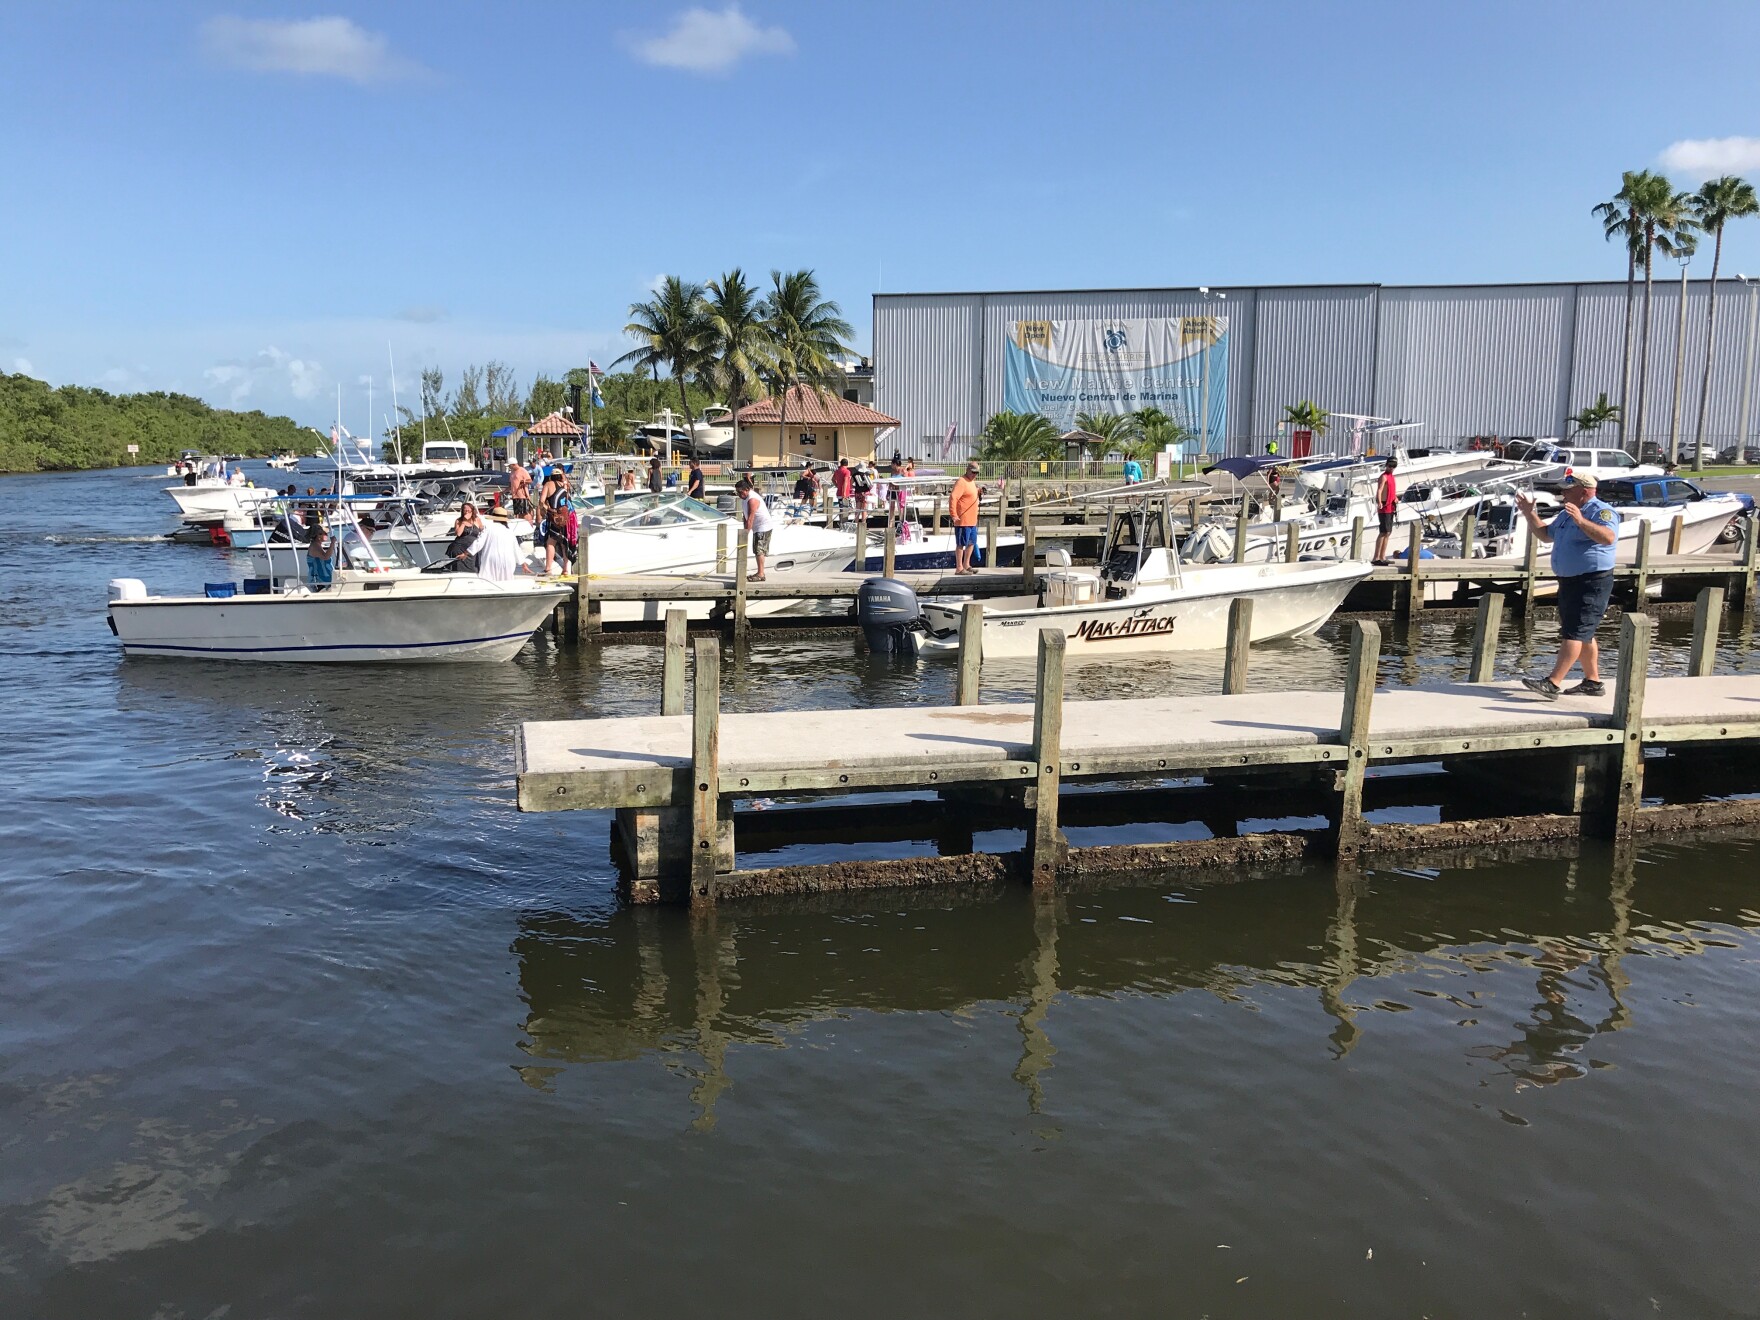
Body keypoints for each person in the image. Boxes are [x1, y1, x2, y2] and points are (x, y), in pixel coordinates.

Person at [1515, 473, 1621, 699]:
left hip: (1592, 580)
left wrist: (1582, 521)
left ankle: (1553, 683)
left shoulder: (1601, 512)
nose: (1562, 493)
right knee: (1582, 631)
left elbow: (1608, 537)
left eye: (1567, 489)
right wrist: (1528, 513)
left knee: (1574, 632)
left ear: (1584, 491)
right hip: (1570, 581)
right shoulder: (1566, 513)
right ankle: (1593, 682)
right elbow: (1545, 535)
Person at [461, 505, 521, 581]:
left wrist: (466, 553)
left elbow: (479, 542)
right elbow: (516, 548)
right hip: (508, 560)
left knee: (489, 580)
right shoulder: (509, 531)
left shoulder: (488, 528)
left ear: (493, 518)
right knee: (506, 581)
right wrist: (523, 563)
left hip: (491, 559)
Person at [736, 477, 774, 581]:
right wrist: (745, 531)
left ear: (747, 489)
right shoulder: (744, 499)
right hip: (757, 527)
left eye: (740, 492)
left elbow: (751, 519)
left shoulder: (752, 499)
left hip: (763, 526)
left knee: (759, 550)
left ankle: (761, 574)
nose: (739, 494)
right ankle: (760, 572)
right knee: (757, 549)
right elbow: (745, 517)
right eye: (737, 492)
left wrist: (745, 534)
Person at [950, 461, 982, 574]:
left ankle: (966, 564)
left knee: (972, 542)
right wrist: (954, 514)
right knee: (961, 543)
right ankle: (959, 568)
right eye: (973, 472)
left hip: (972, 519)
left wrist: (979, 491)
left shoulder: (972, 482)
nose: (974, 475)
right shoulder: (961, 481)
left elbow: (971, 493)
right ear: (968, 470)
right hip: (962, 519)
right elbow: (953, 497)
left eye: (976, 473)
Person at [1371, 457, 1399, 564]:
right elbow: (1379, 490)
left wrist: (1395, 498)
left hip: (1391, 507)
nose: (1391, 468)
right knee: (1383, 532)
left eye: (1393, 466)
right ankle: (1376, 557)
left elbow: (1391, 491)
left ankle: (1382, 557)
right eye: (1390, 466)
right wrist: (1379, 502)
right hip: (1384, 507)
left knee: (1388, 532)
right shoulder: (1383, 477)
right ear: (1386, 465)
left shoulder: (1392, 477)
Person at [305, 515, 334, 587]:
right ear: (317, 535)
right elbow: (326, 557)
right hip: (319, 581)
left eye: (325, 533)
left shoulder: (317, 545)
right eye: (322, 533)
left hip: (324, 580)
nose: (325, 535)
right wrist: (332, 543)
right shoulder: (315, 546)